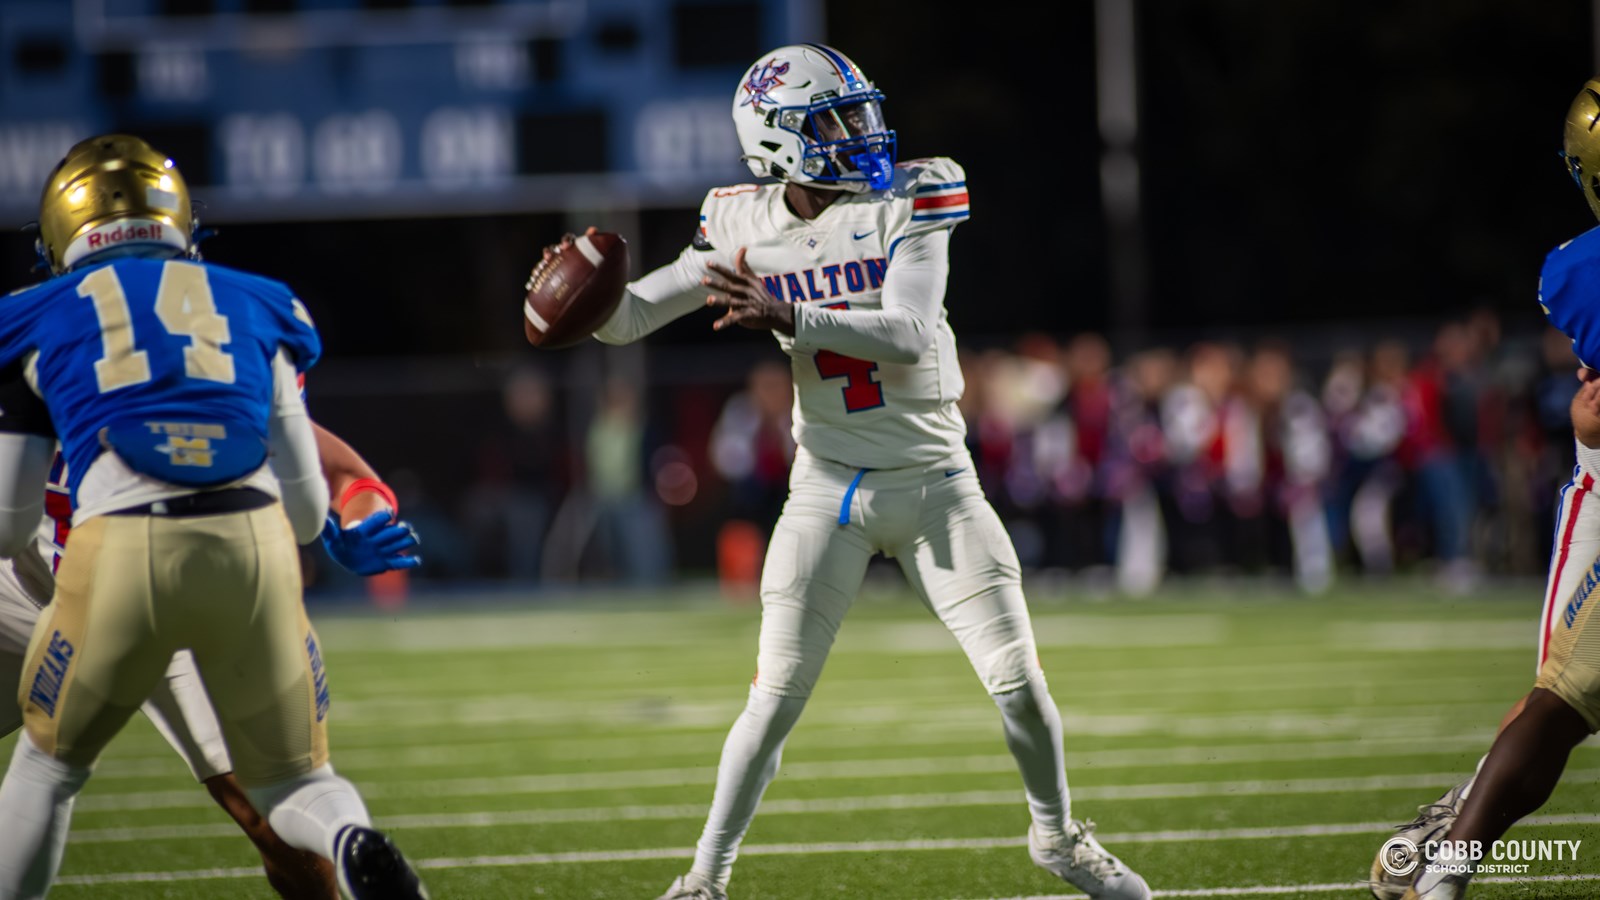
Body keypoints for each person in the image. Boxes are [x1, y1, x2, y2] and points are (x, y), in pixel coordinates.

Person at [545, 44, 1149, 900]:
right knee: (774, 699)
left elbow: (907, 329)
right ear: (777, 143)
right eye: (832, 120)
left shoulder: (913, 194)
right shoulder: (739, 223)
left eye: (859, 111)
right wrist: (582, 296)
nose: (859, 131)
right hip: (828, 490)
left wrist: (788, 313)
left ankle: (1058, 838)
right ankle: (703, 880)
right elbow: (633, 319)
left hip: (937, 482)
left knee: (1018, 683)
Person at [0, 134, 426, 899]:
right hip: (42, 586)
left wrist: (359, 512)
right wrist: (334, 524)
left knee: (279, 847)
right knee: (295, 785)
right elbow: (315, 484)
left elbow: (347, 475)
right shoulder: (237, 312)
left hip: (104, 570)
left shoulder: (35, 324)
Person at [0, 416, 419, 900]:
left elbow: (339, 472)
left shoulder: (218, 355)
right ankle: (347, 832)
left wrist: (359, 514)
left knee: (274, 818)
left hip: (173, 603)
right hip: (28, 585)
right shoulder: (49, 347)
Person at [1374, 78, 1600, 900]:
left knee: (1563, 692)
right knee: (1562, 692)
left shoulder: (1573, 273)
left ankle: (1453, 851)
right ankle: (1464, 827)